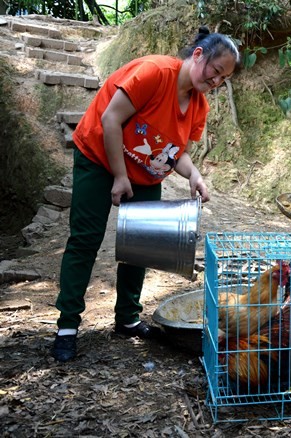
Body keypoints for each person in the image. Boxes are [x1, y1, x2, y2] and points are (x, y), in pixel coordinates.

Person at [52, 27, 242, 362]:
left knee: (142, 244)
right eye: (215, 71)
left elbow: (176, 153)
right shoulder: (155, 73)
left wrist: (194, 174)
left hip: (143, 173)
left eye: (222, 79)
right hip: (98, 156)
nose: (215, 82)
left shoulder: (198, 107)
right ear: (198, 55)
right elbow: (111, 119)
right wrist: (119, 176)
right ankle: (67, 326)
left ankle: (127, 318)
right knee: (86, 238)